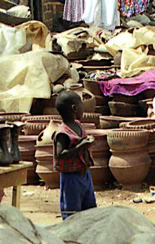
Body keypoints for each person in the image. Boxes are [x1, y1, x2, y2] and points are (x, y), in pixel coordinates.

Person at [54, 91, 96, 220]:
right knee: (72, 212)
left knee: (89, 209)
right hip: (71, 178)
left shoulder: (77, 125)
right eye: (81, 104)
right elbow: (60, 154)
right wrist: (81, 146)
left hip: (84, 174)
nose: (84, 107)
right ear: (74, 108)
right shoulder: (62, 133)